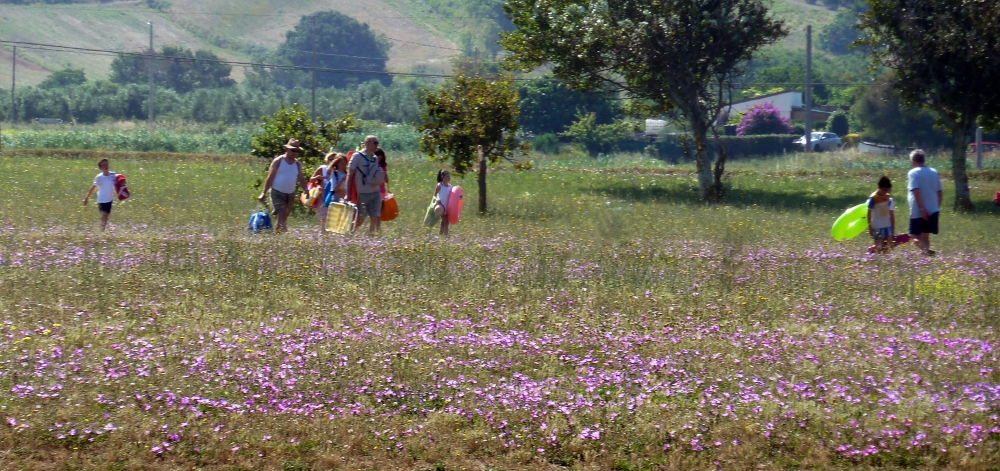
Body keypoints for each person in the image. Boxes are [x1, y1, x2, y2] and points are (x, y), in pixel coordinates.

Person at [258, 138, 309, 233]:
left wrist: (306, 189)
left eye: (296, 151)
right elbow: (270, 177)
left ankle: (278, 236)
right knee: (281, 214)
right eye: (292, 150)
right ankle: (285, 234)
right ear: (287, 149)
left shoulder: (297, 164)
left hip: (290, 193)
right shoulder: (278, 161)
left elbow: (301, 178)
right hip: (277, 192)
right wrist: (263, 193)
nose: (294, 153)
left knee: (284, 216)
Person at [346, 135, 386, 235]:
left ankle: (369, 238)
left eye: (377, 143)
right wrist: (348, 194)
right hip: (362, 192)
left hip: (375, 191)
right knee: (360, 217)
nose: (377, 145)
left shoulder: (375, 158)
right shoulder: (357, 156)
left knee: (375, 216)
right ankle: (349, 234)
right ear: (367, 143)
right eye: (375, 143)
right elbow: (349, 175)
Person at [907, 149, 943, 255]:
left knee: (913, 236)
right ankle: (926, 259)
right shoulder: (933, 172)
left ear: (913, 161)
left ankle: (926, 251)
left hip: (918, 210)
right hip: (933, 209)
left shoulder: (913, 173)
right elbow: (940, 193)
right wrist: (936, 208)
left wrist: (922, 209)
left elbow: (916, 192)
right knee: (925, 236)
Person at [83, 158, 117, 231]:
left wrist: (122, 193)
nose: (106, 166)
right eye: (103, 165)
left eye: (106, 164)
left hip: (110, 199)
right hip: (101, 200)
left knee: (106, 216)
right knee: (104, 215)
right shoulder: (99, 177)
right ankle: (101, 231)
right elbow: (93, 187)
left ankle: (102, 229)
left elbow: (118, 184)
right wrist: (87, 198)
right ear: (101, 168)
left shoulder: (113, 175)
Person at [319, 153, 349, 231]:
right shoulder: (335, 174)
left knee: (341, 222)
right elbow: (335, 189)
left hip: (345, 200)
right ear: (337, 163)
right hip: (336, 199)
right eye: (341, 163)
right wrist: (342, 180)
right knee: (332, 222)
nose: (343, 165)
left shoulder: (348, 174)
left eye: (344, 163)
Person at [866, 176, 895, 254]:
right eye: (884, 190)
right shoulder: (873, 198)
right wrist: (870, 227)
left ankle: (884, 260)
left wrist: (892, 228)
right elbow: (869, 213)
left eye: (887, 190)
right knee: (879, 245)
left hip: (887, 225)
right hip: (877, 226)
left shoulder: (889, 198)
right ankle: (872, 252)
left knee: (888, 244)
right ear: (879, 187)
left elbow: (892, 214)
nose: (885, 192)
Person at [311, 152, 337, 232]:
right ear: (327, 160)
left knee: (332, 221)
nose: (332, 161)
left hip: (334, 199)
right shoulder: (322, 169)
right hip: (322, 199)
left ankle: (327, 239)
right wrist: (317, 177)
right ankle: (322, 239)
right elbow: (311, 180)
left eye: (335, 159)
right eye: (331, 159)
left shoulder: (337, 172)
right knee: (324, 220)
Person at [433, 170, 452, 236]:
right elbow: (434, 196)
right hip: (441, 207)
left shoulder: (450, 186)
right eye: (447, 177)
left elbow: (452, 197)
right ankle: (446, 238)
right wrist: (437, 199)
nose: (448, 178)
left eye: (449, 176)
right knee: (446, 223)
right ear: (442, 177)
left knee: (443, 223)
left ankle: (440, 234)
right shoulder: (439, 185)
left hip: (448, 208)